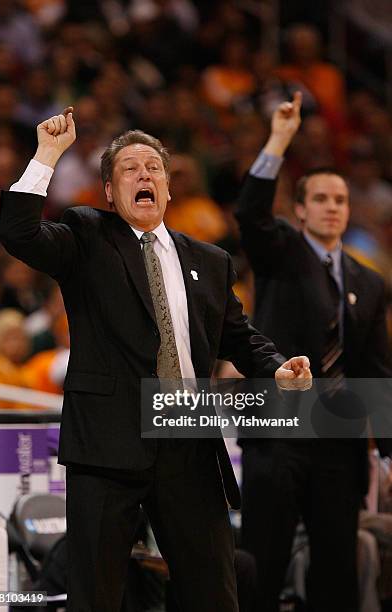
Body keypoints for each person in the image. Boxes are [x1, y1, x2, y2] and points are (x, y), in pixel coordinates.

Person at [0, 107, 311, 612]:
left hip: (188, 437)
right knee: (95, 595)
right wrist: (47, 155)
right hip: (107, 443)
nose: (144, 175)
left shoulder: (209, 260)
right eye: (129, 168)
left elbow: (238, 336)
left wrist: (275, 366)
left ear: (167, 188)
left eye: (154, 168)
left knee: (214, 592)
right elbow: (18, 234)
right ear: (108, 192)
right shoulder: (86, 235)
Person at [235, 92, 392, 611]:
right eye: (321, 199)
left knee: (337, 569)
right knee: (263, 559)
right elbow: (251, 211)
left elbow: (375, 368)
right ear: (300, 209)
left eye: (340, 200)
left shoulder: (369, 283)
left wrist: (387, 451)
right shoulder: (281, 250)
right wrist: (279, 139)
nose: (332, 208)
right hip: (278, 431)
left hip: (338, 441)